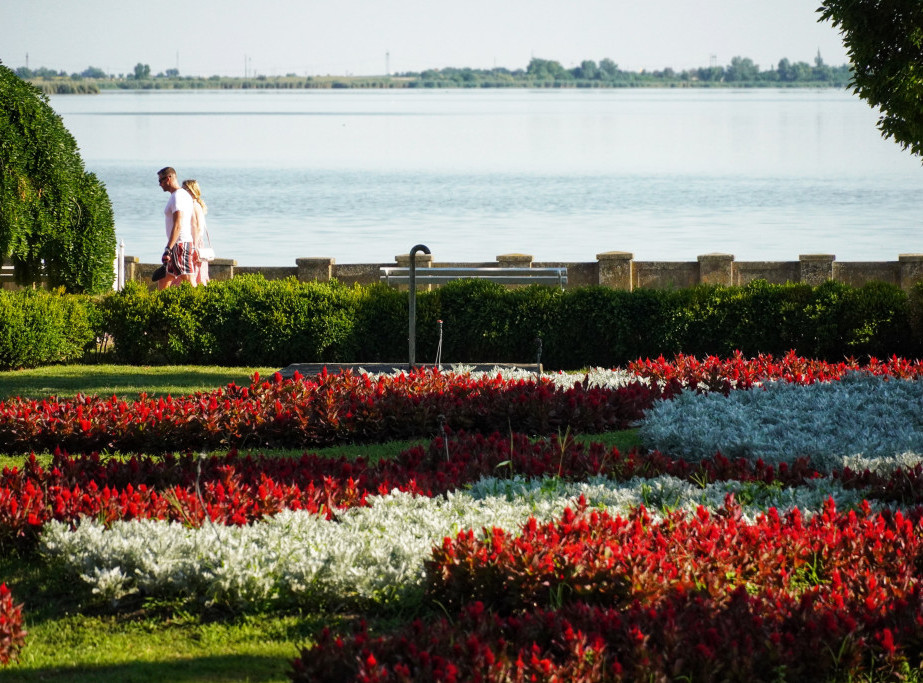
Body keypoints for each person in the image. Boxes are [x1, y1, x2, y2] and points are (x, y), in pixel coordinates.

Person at [156, 166, 196, 289]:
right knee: (163, 280)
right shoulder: (182, 195)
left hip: (180, 244)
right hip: (178, 244)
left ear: (169, 178)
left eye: (161, 181)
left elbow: (178, 223)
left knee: (188, 279)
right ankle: (159, 306)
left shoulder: (178, 196)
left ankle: (204, 303)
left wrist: (168, 247)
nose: (160, 184)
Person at [183, 179, 210, 286]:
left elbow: (196, 227)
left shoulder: (193, 205)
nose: (184, 192)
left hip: (195, 243)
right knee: (199, 273)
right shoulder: (197, 205)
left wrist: (193, 246)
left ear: (193, 191)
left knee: (194, 272)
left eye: (186, 189)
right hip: (198, 243)